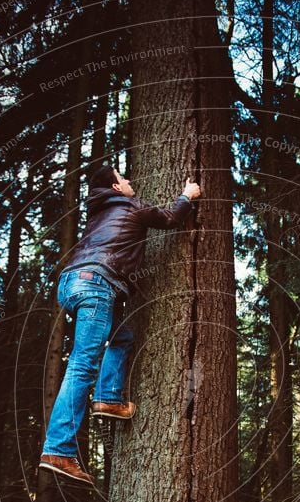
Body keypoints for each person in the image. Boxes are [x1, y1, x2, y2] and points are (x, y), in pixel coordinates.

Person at [39, 165, 201, 484]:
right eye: (123, 178)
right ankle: (58, 449)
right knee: (82, 366)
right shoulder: (129, 204)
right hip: (97, 285)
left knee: (121, 337)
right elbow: (169, 218)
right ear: (116, 187)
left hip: (74, 283)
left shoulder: (99, 214)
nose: (129, 182)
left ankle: (109, 398)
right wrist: (187, 195)